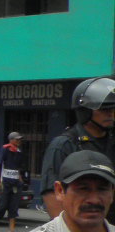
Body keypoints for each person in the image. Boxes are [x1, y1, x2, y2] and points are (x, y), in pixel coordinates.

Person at [38, 76, 115, 219]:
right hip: (82, 227)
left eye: (113, 109)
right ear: (85, 111)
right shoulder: (64, 145)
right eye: (104, 109)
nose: (110, 114)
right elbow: (52, 195)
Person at [0, 131, 29, 232]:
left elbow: (18, 167)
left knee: (14, 206)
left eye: (20, 139)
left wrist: (20, 178)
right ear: (11, 140)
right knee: (3, 206)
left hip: (16, 183)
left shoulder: (19, 151)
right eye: (17, 139)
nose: (19, 141)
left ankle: (11, 229)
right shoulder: (5, 149)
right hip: (5, 182)